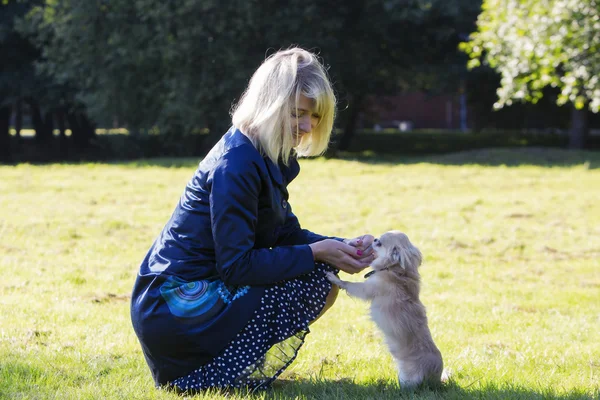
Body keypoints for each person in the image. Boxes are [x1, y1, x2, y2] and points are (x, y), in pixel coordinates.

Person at [130, 47, 375, 392]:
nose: (307, 126)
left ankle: (225, 372)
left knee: (319, 271)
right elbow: (237, 266)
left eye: (315, 116)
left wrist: (342, 246)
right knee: (318, 280)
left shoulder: (264, 153)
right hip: (175, 305)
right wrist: (318, 253)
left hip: (189, 298)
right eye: (297, 113)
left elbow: (286, 233)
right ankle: (212, 375)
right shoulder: (238, 163)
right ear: (270, 104)